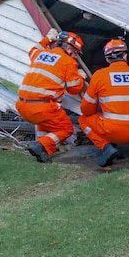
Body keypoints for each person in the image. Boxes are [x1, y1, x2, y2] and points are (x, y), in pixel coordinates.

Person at [78, 38, 129, 167]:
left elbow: (86, 109)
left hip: (112, 130)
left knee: (83, 120)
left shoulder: (100, 76)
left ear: (107, 59)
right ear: (125, 56)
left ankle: (106, 147)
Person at [16, 30, 87, 163]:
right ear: (68, 48)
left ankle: (43, 152)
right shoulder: (68, 62)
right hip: (42, 107)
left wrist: (47, 39)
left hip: (22, 105)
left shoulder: (40, 54)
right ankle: (41, 145)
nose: (76, 56)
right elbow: (74, 88)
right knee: (66, 128)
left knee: (45, 123)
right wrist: (81, 76)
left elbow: (32, 50)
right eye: (76, 52)